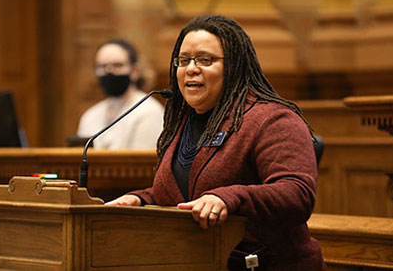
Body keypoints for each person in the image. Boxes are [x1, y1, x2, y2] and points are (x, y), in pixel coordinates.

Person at [106, 15, 326, 270]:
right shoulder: (182, 122)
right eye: (183, 60)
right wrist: (142, 200)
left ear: (234, 66)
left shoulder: (272, 119)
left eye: (205, 60)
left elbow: (297, 193)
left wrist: (229, 198)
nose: (191, 68)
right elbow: (190, 194)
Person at [77, 39, 164, 149]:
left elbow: (141, 163)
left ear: (134, 71)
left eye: (117, 65)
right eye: (102, 66)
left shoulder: (149, 112)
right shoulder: (90, 116)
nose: (109, 72)